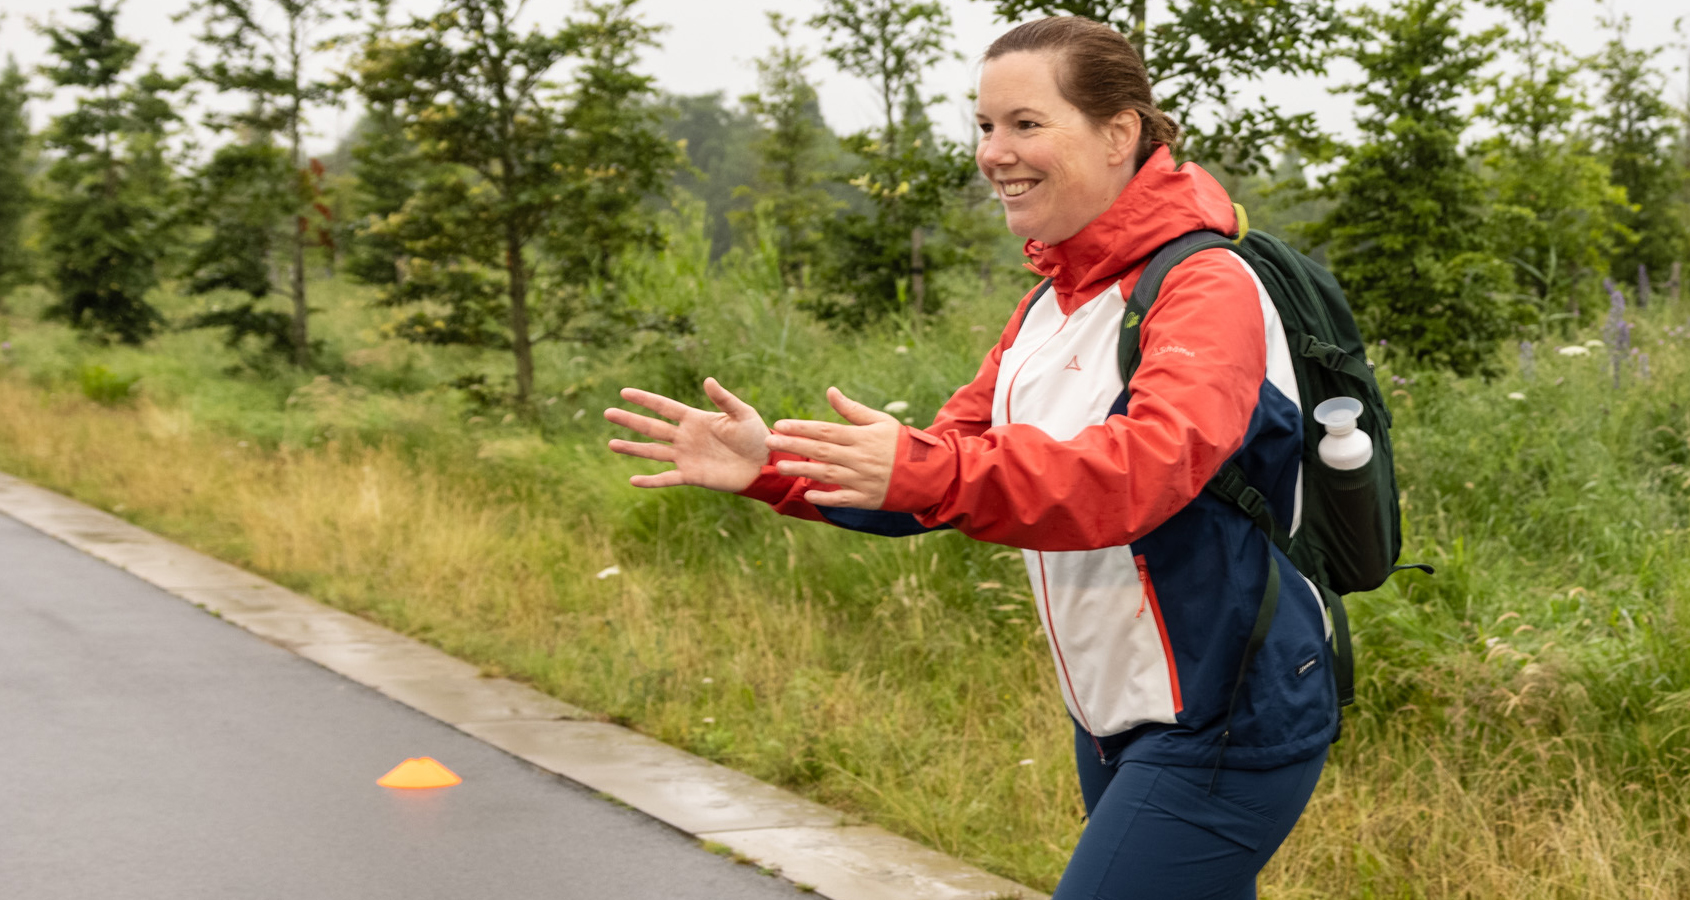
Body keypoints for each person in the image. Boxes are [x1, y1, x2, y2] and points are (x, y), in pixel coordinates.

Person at [605, 15, 1334, 899]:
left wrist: (927, 471)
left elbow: (1142, 472)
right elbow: (938, 465)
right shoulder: (1045, 310)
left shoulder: (1203, 286)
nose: (995, 153)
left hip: (1229, 714)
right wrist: (769, 464)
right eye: (984, 126)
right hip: (1114, 716)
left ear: (1118, 134)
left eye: (1026, 124)